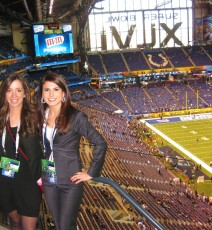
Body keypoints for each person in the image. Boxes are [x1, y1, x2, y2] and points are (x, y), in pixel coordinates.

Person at [37, 72, 107, 230]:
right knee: (58, 223)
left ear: (63, 93)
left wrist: (91, 172)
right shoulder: (41, 115)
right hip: (48, 178)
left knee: (66, 226)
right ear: (42, 94)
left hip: (70, 180)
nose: (51, 94)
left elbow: (100, 143)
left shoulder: (76, 117)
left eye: (56, 89)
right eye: (46, 90)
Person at [0, 73, 43, 230]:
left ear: (25, 93)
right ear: (4, 93)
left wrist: (50, 177)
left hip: (29, 182)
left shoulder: (36, 117)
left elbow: (49, 148)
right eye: (9, 90)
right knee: (15, 222)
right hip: (5, 180)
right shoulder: (1, 117)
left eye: (18, 90)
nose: (14, 95)